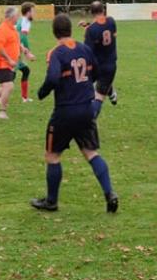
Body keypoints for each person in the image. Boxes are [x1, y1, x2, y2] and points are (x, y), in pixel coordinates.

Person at [31, 13, 118, 213]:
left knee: (52, 155)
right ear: (70, 30)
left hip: (65, 111)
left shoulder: (57, 53)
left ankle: (51, 201)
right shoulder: (84, 48)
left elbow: (53, 78)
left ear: (54, 32)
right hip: (87, 108)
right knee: (91, 153)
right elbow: (95, 72)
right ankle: (109, 193)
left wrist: (42, 92)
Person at [83, 0, 118, 116]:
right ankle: (111, 91)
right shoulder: (111, 21)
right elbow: (112, 34)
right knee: (101, 87)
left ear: (91, 13)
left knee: (94, 95)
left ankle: (90, 120)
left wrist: (88, 30)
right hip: (111, 64)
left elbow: (88, 52)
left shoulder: (91, 30)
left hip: (97, 66)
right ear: (103, 10)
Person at [16, 2, 37, 103]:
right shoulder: (25, 22)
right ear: (28, 12)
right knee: (11, 74)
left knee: (25, 71)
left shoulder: (22, 20)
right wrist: (27, 52)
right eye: (33, 11)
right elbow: (22, 37)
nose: (35, 13)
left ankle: (24, 98)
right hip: (14, 50)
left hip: (15, 48)